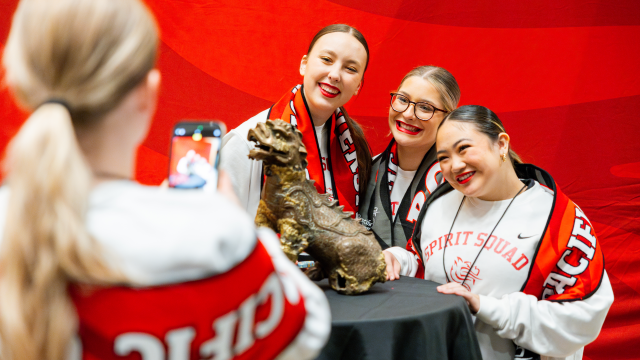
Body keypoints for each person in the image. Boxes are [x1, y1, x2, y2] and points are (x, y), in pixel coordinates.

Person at [0, 1, 330, 359]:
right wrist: (240, 224)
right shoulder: (217, 240)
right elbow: (307, 328)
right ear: (148, 93)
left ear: (18, 83)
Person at [382, 105, 613, 360]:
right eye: (443, 157)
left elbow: (583, 317)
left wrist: (486, 307)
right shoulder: (436, 204)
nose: (455, 165)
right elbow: (423, 264)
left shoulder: (559, 219)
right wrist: (398, 260)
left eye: (464, 148)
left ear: (501, 144)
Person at [220, 24, 372, 219]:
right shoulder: (251, 141)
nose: (335, 75)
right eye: (326, 59)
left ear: (358, 86)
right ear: (304, 64)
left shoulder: (354, 148)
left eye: (350, 68)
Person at [359, 66, 460, 249]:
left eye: (424, 107)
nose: (407, 114)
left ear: (448, 117)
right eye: (402, 99)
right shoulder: (365, 170)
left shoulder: (456, 182)